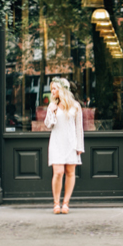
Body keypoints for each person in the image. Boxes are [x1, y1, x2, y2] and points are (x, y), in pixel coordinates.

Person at [44, 77, 84, 214]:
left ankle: (65, 203)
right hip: (56, 143)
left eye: (54, 88)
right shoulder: (52, 106)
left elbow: (79, 128)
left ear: (62, 89)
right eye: (51, 89)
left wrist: (80, 146)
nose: (52, 91)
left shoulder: (75, 106)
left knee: (70, 173)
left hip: (71, 143)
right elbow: (48, 125)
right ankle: (56, 203)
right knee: (58, 172)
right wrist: (51, 111)